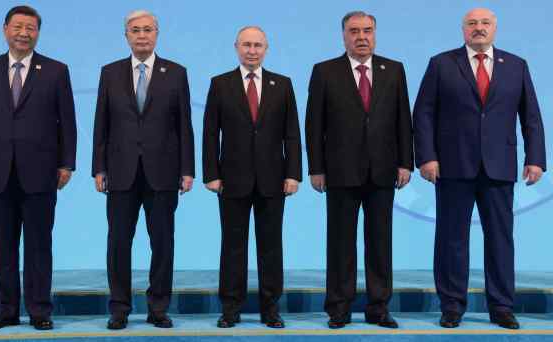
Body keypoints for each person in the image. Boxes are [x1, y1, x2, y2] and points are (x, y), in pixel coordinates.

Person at [413, 8, 546, 330]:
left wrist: (535, 159)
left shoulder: (515, 65)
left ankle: (501, 306)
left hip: (499, 167)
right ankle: (452, 306)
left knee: (500, 239)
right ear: (463, 30)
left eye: (485, 23)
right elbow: (424, 114)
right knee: (451, 240)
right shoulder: (441, 64)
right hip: (453, 165)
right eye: (472, 24)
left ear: (495, 29)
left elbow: (530, 116)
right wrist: (427, 157)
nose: (479, 28)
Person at [0, 5, 77, 331]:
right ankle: (5, 311)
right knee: (4, 245)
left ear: (37, 33)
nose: (23, 33)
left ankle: (40, 310)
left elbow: (67, 123)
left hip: (42, 171)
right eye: (18, 27)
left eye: (30, 28)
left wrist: (66, 163)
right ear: (5, 29)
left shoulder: (56, 70)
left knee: (39, 245)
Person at [305, 11, 413, 329]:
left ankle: (378, 308)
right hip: (339, 171)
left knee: (380, 243)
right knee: (340, 242)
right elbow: (314, 124)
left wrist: (406, 162)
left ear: (375, 34)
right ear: (344, 35)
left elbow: (402, 120)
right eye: (354, 31)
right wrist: (316, 168)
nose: (361, 36)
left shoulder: (393, 70)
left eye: (367, 30)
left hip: (383, 171)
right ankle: (339, 308)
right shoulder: (325, 71)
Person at [91, 10, 194, 330]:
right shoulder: (110, 72)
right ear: (126, 36)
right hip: (120, 172)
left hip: (163, 172)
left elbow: (185, 126)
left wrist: (187, 170)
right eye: (135, 30)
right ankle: (119, 308)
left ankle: (158, 307)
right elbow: (101, 123)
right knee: (118, 243)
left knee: (162, 243)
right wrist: (99, 167)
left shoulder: (176, 72)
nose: (142, 35)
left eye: (148, 30)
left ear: (157, 34)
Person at [202, 26, 302, 329]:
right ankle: (230, 308)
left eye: (258, 45)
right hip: (231, 179)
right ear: (236, 47)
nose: (252, 50)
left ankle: (270, 308)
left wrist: (293, 174)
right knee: (233, 246)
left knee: (271, 246)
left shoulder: (282, 85)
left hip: (274, 180)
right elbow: (209, 134)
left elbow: (292, 135)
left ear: (266, 49)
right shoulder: (220, 84)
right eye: (246, 45)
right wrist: (211, 174)